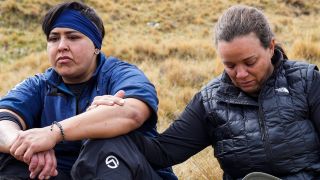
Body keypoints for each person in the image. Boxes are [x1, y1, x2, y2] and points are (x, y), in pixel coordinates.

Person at [90, 5, 320, 180]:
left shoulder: (307, 81)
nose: (240, 74)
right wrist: (109, 119)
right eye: (230, 65)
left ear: (270, 47)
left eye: (250, 62)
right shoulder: (210, 101)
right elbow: (163, 153)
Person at [0, 1, 176, 180]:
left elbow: (132, 113)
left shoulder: (121, 74)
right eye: (53, 38)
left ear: (96, 46)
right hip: (62, 173)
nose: (61, 46)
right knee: (10, 155)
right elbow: (2, 121)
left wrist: (52, 133)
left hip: (132, 172)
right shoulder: (38, 85)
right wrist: (25, 146)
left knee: (106, 141)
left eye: (73, 37)